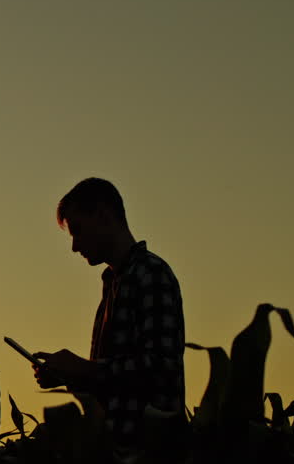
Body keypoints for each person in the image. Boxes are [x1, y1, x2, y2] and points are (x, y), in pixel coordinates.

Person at [32, 178, 186, 445]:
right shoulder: (115, 284)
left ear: (103, 215)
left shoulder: (150, 274)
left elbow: (161, 367)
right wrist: (70, 375)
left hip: (148, 457)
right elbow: (115, 382)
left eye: (78, 230)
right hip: (117, 452)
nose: (75, 246)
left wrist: (84, 369)